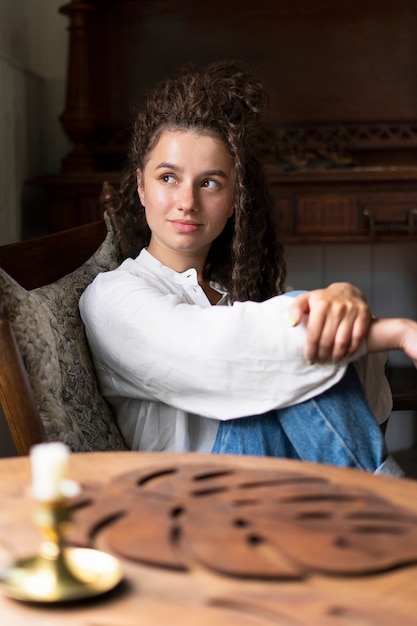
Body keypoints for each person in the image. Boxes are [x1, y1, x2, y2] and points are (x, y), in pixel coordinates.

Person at [79, 61, 417, 475]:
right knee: (290, 347)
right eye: (168, 177)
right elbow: (225, 352)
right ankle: (392, 509)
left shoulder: (240, 290)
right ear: (140, 186)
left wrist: (346, 299)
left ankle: (384, 512)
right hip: (191, 498)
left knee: (301, 335)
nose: (187, 201)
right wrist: (395, 333)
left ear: (235, 197)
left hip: (277, 487)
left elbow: (362, 388)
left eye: (210, 183)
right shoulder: (113, 296)